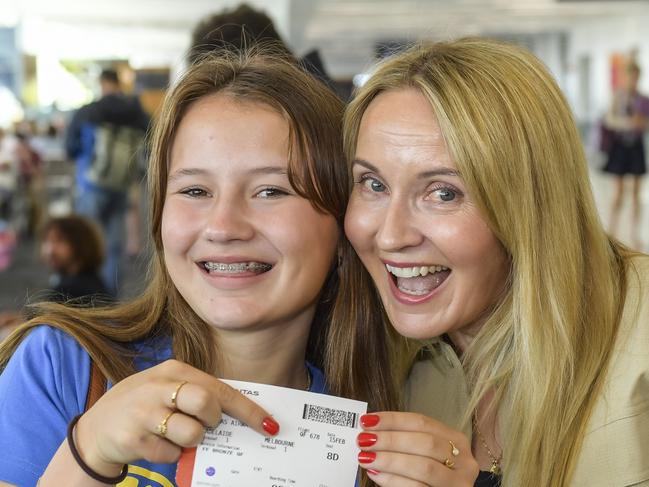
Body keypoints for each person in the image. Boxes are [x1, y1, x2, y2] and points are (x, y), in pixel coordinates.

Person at [0, 50, 377, 486]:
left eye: (272, 191)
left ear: (343, 222)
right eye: (195, 189)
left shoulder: (373, 440)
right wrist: (88, 452)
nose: (223, 226)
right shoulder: (65, 367)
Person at [342, 38, 649, 487]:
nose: (390, 236)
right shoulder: (371, 351)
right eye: (372, 184)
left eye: (444, 193)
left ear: (529, 202)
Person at [65, 68, 150, 295]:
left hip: (91, 184)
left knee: (86, 243)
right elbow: (152, 139)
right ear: (119, 82)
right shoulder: (135, 111)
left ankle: (87, 297)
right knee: (114, 246)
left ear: (102, 83)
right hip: (121, 184)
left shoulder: (88, 111)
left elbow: (70, 148)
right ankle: (110, 300)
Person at [602, 60, 649, 250]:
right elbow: (610, 120)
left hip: (636, 146)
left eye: (636, 76)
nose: (633, 79)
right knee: (618, 193)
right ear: (625, 76)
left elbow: (646, 124)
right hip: (620, 147)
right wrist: (629, 123)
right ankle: (611, 233)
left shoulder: (643, 100)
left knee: (636, 193)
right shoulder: (618, 96)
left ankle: (634, 234)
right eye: (630, 75)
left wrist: (641, 123)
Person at [39, 215, 109, 302]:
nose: (50, 250)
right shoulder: (96, 283)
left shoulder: (70, 291)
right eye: (47, 241)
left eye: (60, 240)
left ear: (81, 245)